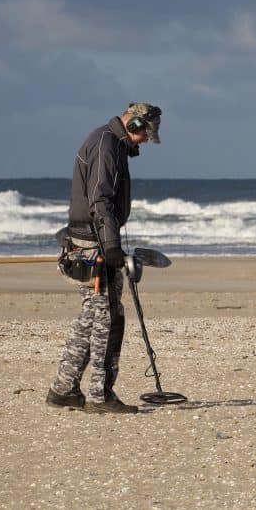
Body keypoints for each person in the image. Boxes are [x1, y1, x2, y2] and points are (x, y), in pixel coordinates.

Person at [46, 102, 162, 414]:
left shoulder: (108, 142)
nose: (144, 142)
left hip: (89, 240)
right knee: (109, 318)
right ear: (134, 124)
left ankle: (63, 388)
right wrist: (110, 247)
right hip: (93, 245)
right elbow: (100, 200)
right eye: (145, 135)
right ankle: (99, 395)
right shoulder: (106, 145)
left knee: (93, 315)